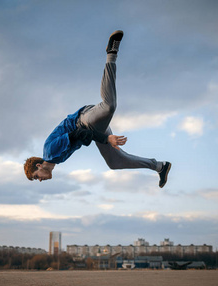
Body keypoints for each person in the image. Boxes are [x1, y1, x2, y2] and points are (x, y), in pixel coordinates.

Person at [24, 30, 172, 188]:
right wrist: (103, 138)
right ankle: (160, 166)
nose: (39, 179)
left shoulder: (50, 152)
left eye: (36, 177)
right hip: (93, 128)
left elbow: (78, 133)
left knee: (109, 106)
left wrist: (106, 139)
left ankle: (111, 53)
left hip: (83, 120)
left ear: (38, 166)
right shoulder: (56, 159)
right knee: (115, 162)